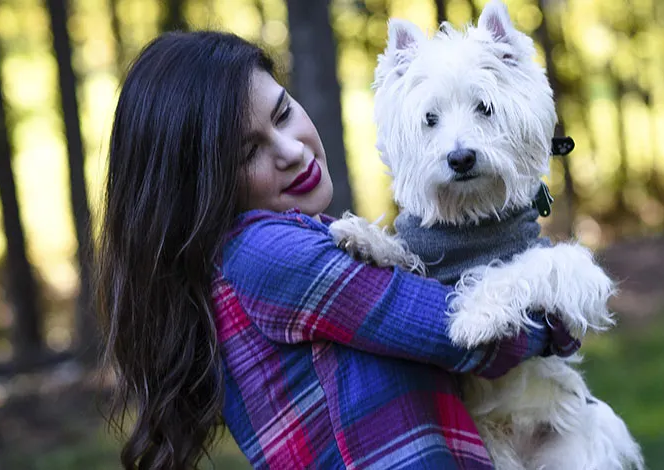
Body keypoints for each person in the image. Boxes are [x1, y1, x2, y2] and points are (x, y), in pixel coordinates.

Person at [97, 31, 562, 470]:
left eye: (282, 114)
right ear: (199, 184)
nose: (292, 151)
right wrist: (555, 313)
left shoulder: (278, 245)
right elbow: (470, 338)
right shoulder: (265, 253)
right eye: (248, 152)